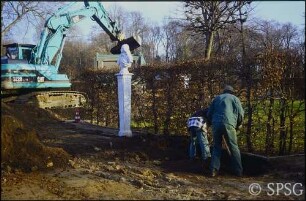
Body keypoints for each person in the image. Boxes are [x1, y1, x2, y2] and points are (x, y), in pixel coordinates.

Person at [207, 85, 244, 177]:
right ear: (232, 92)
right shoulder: (235, 99)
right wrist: (238, 125)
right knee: (234, 147)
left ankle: (213, 170)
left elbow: (209, 113)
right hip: (229, 123)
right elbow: (241, 114)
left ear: (224, 91)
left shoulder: (216, 99)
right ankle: (238, 171)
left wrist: (213, 122)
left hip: (216, 124)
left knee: (216, 147)